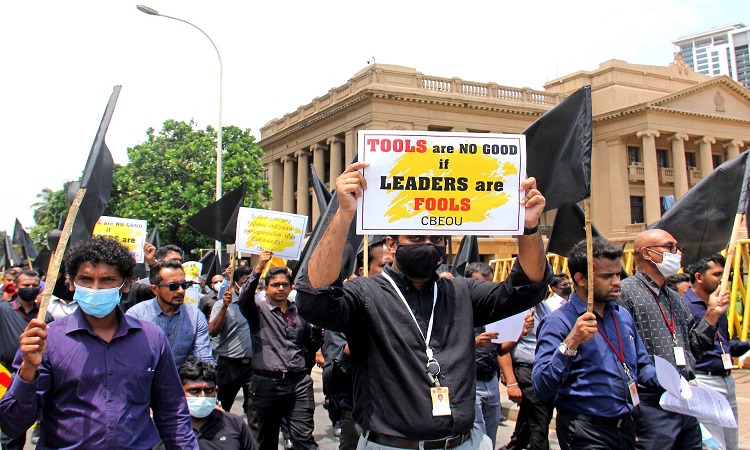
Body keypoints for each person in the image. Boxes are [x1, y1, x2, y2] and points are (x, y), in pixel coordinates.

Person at [296, 162, 550, 449]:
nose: (428, 244)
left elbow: (527, 288)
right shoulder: (365, 293)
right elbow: (314, 300)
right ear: (391, 244)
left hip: (462, 443)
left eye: (436, 239)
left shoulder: (460, 291)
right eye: (416, 238)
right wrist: (343, 214)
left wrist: (528, 227)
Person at [0, 238, 197, 449]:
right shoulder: (47, 341)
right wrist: (28, 369)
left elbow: (172, 412)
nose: (95, 288)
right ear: (72, 283)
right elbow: (13, 425)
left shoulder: (151, 338)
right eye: (85, 279)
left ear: (126, 284)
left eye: (107, 280)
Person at [533, 237, 661, 450]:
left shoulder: (623, 316)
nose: (617, 282)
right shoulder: (558, 322)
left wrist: (674, 383)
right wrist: (570, 344)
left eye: (618, 274)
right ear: (580, 279)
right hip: (586, 432)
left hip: (626, 427)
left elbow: (641, 366)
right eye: (607, 276)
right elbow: (541, 385)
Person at [617, 229, 727, 450]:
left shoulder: (675, 298)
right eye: (669, 247)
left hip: (684, 401)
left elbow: (694, 350)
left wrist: (711, 316)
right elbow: (621, 355)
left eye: (678, 248)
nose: (676, 253)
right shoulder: (625, 293)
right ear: (647, 253)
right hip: (651, 405)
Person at [237, 266, 322, 450]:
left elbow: (311, 344)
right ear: (266, 288)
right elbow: (243, 299)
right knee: (265, 440)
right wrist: (258, 268)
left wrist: (316, 330)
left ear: (291, 287)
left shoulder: (301, 313)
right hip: (267, 384)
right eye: (275, 285)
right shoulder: (257, 311)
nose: (280, 288)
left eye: (284, 284)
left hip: (298, 383)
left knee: (303, 437)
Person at [323, 235, 393, 450]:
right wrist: (349, 350)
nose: (392, 271)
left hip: (404, 421)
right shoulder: (346, 314)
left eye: (394, 265)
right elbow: (330, 380)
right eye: (384, 266)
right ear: (364, 270)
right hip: (360, 418)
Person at [684, 254, 748, 450]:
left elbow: (725, 346)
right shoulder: (684, 305)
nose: (723, 279)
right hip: (703, 380)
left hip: (726, 380)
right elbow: (690, 346)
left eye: (725, 274)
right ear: (699, 277)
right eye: (717, 274)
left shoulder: (719, 305)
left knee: (731, 443)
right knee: (713, 445)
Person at [209, 255, 269, 427]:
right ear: (234, 283)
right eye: (244, 282)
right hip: (229, 365)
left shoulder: (259, 305)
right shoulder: (222, 305)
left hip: (253, 365)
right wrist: (226, 307)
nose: (249, 287)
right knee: (222, 407)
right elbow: (213, 331)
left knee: (255, 410)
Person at [126, 260, 214, 368]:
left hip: (180, 382)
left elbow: (204, 359)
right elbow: (126, 356)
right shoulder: (136, 315)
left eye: (184, 284)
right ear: (155, 289)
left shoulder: (195, 316)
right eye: (173, 286)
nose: (181, 291)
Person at [0, 269, 52, 450]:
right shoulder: (4, 310)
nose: (30, 288)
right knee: (8, 425)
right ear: (15, 287)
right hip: (4, 374)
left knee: (23, 420)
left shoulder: (44, 316)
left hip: (31, 376)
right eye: (26, 286)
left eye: (34, 286)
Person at [154, 360, 258, 450]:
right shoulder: (162, 427)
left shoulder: (234, 424)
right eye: (194, 391)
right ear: (179, 392)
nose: (202, 396)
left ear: (216, 391)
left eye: (208, 390)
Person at [498, 293, 554, 449]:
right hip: (526, 370)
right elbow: (502, 348)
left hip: (544, 370)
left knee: (530, 420)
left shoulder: (544, 307)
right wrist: (511, 382)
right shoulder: (517, 308)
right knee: (539, 421)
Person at [464, 262, 504, 448]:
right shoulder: (455, 312)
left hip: (491, 381)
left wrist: (520, 333)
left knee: (491, 433)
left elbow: (503, 350)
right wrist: (474, 344)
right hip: (470, 383)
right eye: (480, 286)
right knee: (478, 438)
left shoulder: (493, 311)